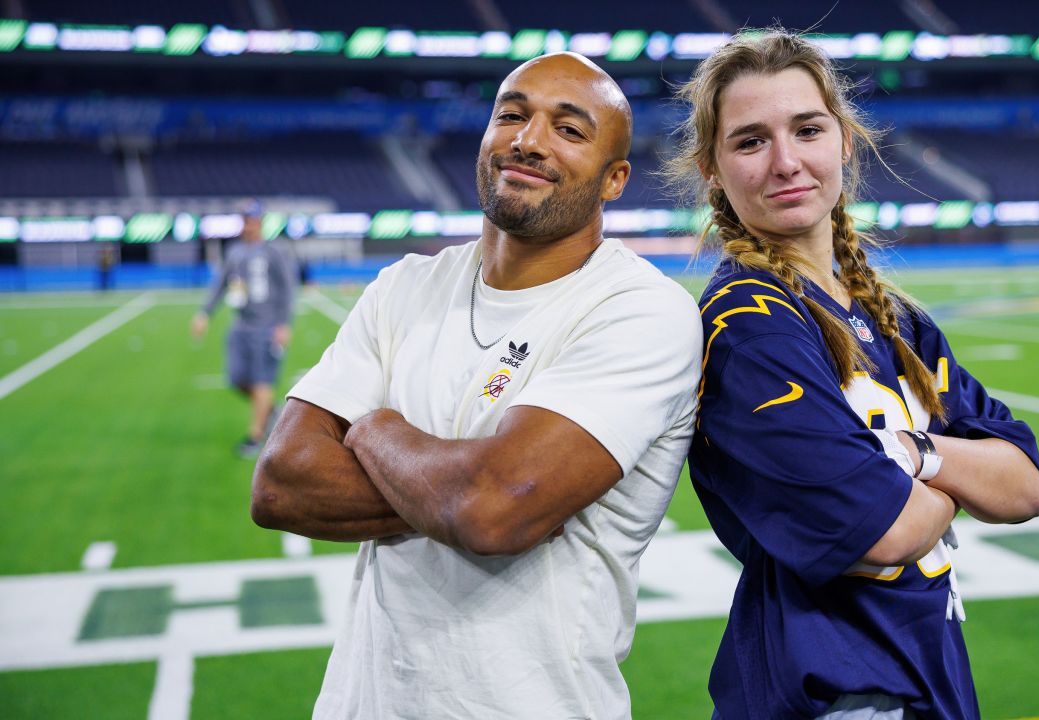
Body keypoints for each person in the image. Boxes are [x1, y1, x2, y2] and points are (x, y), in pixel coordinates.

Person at [250, 52, 702, 719]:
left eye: (569, 130)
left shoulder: (641, 311)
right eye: (512, 115)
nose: (529, 140)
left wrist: (376, 428)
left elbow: (495, 508)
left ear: (615, 180)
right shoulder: (405, 285)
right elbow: (282, 483)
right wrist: (459, 491)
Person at [663, 30, 1039, 719]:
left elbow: (1026, 485)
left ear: (844, 141)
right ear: (712, 170)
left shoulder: (894, 316)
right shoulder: (747, 319)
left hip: (923, 676)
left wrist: (913, 454)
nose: (786, 162)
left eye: (807, 130)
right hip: (831, 689)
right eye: (751, 141)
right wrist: (954, 481)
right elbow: (885, 531)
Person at [191, 203, 297, 458]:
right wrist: (204, 313)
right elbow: (221, 284)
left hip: (267, 326)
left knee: (262, 381)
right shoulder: (235, 252)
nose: (248, 225)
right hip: (241, 325)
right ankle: (270, 412)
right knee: (236, 379)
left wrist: (284, 323)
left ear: (260, 223)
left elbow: (288, 288)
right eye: (245, 220)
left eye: (252, 220)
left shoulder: (275, 251)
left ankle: (255, 437)